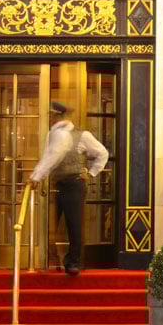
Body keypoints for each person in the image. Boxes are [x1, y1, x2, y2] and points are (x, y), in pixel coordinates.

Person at [30, 102, 109, 275]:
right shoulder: (52, 135)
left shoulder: (82, 135)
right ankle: (52, 259)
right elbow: (48, 158)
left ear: (60, 116)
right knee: (50, 225)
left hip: (74, 184)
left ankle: (73, 262)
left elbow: (103, 153)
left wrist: (92, 173)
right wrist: (40, 177)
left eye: (52, 115)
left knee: (74, 225)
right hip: (56, 185)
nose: (50, 117)